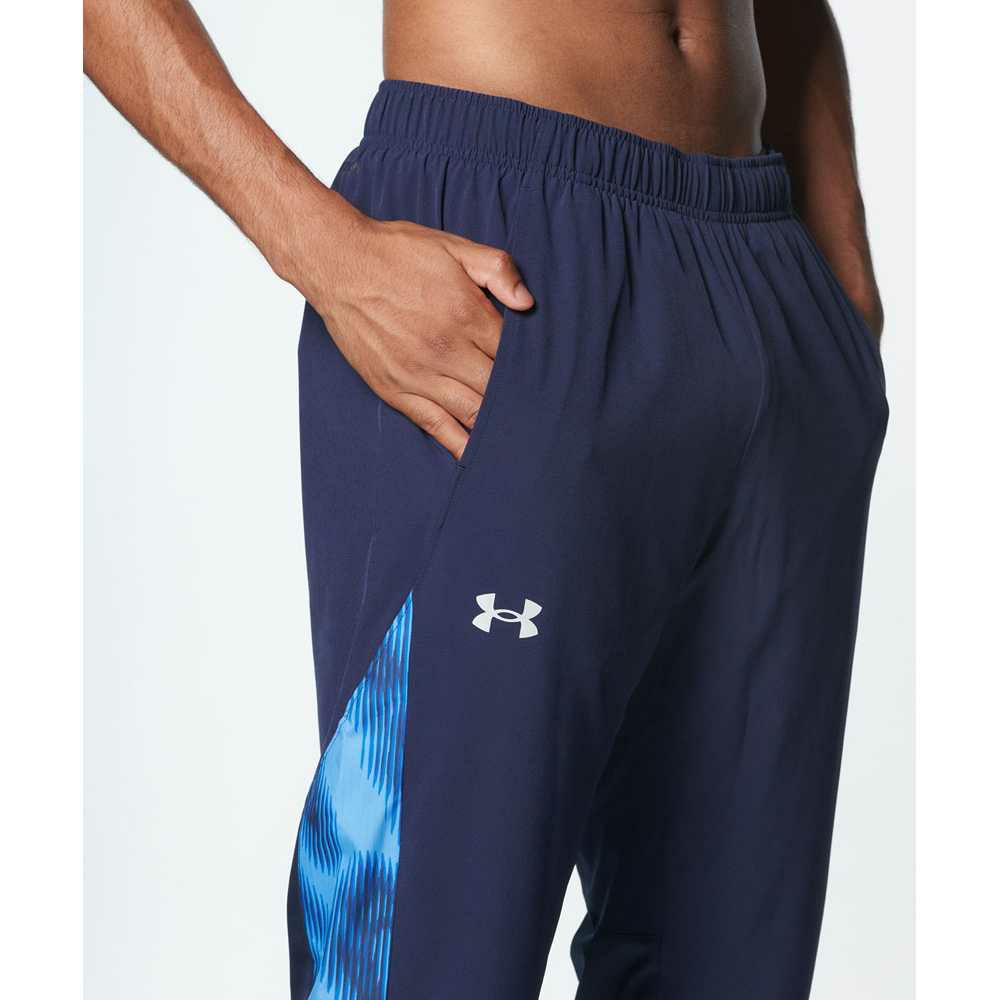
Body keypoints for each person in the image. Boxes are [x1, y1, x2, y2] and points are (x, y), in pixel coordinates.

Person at [84, 2, 888, 997]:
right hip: (506, 263)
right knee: (427, 951)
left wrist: (840, 274)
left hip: (764, 278)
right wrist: (321, 248)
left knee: (726, 964)